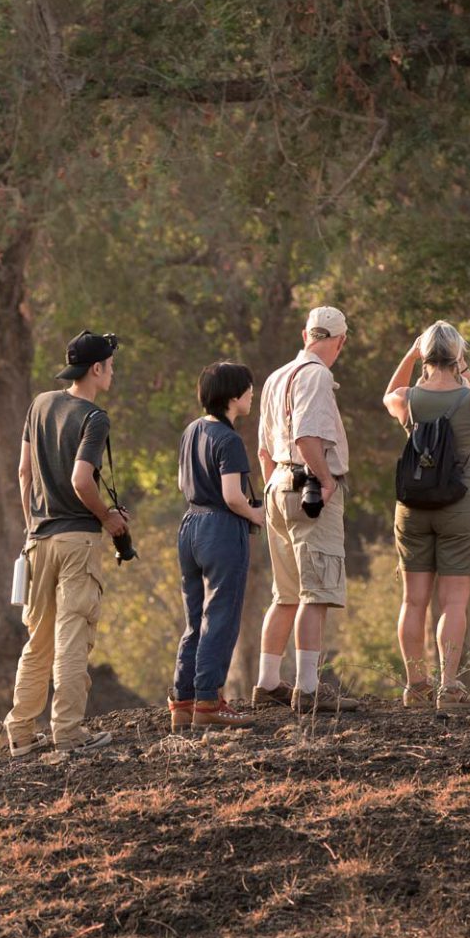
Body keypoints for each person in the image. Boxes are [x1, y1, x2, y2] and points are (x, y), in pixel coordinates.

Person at [3, 331, 128, 757]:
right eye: (110, 365)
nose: (112, 371)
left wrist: (32, 525)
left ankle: (20, 732)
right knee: (72, 636)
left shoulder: (39, 404)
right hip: (77, 540)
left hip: (39, 537)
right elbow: (80, 480)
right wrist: (108, 518)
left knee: (38, 640)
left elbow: (23, 472)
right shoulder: (94, 417)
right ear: (96, 369)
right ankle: (69, 733)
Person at [381, 321, 470, 707]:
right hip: (460, 507)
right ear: (457, 355)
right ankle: (449, 686)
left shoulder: (407, 399)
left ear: (425, 356)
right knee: (454, 602)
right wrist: (464, 370)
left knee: (413, 601)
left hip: (413, 508)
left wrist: (410, 354)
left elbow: (387, 394)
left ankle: (415, 684)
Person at [255, 307, 363, 713]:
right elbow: (306, 437)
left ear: (305, 334)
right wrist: (327, 479)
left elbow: (264, 449)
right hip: (309, 486)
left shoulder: (275, 377)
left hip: (277, 486)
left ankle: (267, 683)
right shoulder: (317, 375)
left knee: (284, 594)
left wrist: (274, 484)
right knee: (315, 592)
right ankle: (308, 688)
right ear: (340, 340)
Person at [167, 362, 266, 731]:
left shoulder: (191, 430)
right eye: (248, 389)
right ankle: (209, 700)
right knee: (220, 616)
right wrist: (256, 516)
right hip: (221, 528)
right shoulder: (229, 440)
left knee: (195, 618)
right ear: (232, 397)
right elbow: (233, 496)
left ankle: (183, 700)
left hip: (190, 525)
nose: (252, 394)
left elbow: (183, 483)